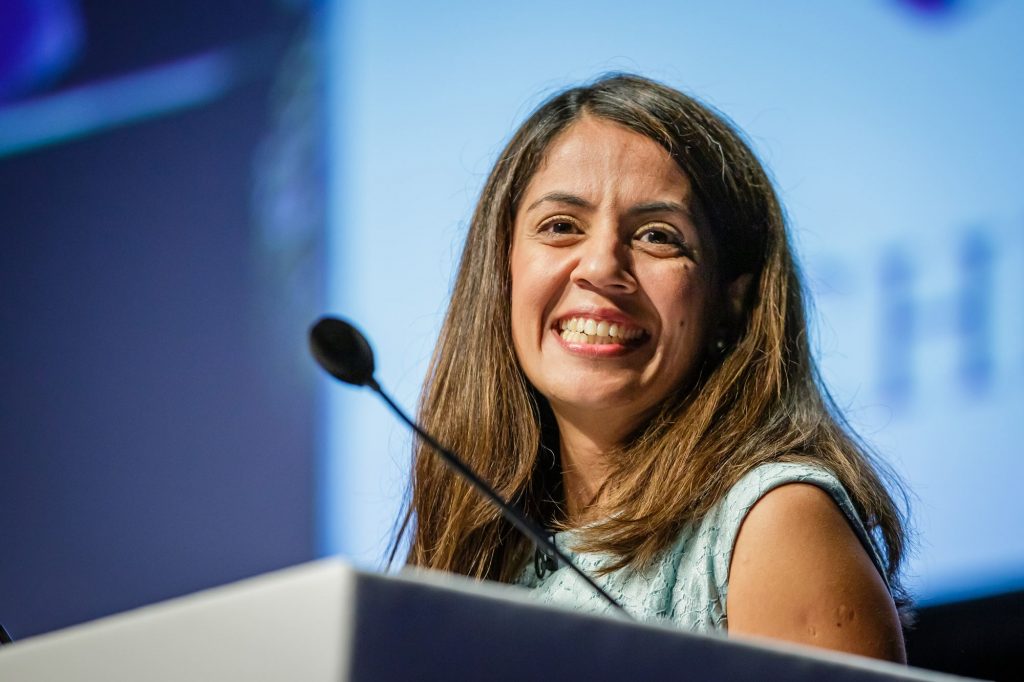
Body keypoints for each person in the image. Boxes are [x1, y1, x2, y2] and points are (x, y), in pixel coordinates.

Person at [392, 74, 909, 662]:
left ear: (729, 302)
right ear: (502, 270)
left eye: (659, 237)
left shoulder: (776, 524)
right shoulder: (482, 555)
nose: (602, 267)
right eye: (561, 226)